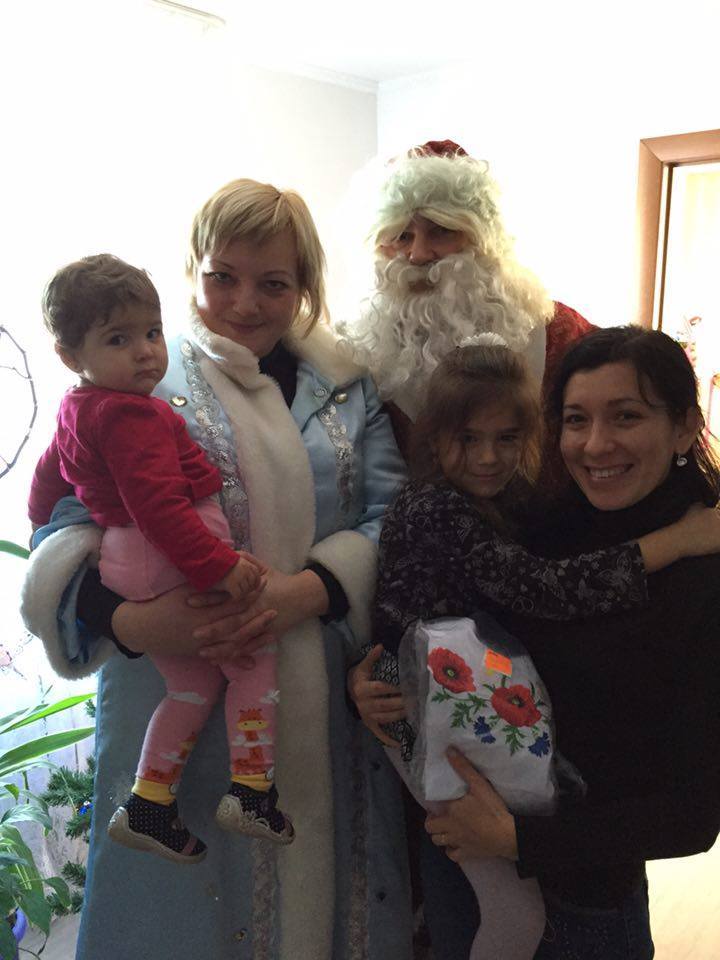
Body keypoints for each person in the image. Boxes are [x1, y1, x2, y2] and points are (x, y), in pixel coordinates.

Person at [21, 179, 411, 960]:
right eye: (222, 277)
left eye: (274, 283)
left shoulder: (347, 386)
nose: (244, 303)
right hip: (168, 684)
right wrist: (132, 621)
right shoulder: (136, 377)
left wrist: (311, 590)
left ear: (305, 285)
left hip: (317, 680)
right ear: (193, 268)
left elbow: (392, 514)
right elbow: (59, 524)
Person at [364, 337, 720, 958]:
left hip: (582, 897)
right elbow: (508, 604)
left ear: (686, 426)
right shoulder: (544, 520)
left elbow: (692, 815)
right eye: (577, 419)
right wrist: (370, 684)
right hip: (458, 838)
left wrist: (521, 840)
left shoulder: (702, 578)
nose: (596, 444)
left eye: (626, 415)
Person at [29, 253, 294, 860]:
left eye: (151, 332)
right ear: (70, 355)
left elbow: (46, 484)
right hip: (165, 554)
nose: (147, 352)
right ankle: (253, 790)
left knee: (191, 687)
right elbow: (158, 507)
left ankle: (149, 802)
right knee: (251, 655)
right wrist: (218, 566)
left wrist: (43, 526)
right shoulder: (130, 413)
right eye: (118, 339)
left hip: (131, 559)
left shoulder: (77, 406)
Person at [338, 139, 595, 433]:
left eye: (441, 231)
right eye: (401, 236)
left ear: (483, 242)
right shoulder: (361, 356)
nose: (418, 255)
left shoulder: (560, 335)